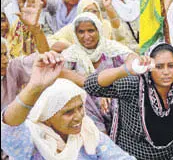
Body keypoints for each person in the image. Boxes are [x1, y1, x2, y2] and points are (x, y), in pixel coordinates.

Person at [1, 51, 135, 159]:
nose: (79, 117)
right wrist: (34, 87)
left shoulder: (87, 131)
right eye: (68, 112)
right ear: (47, 117)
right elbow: (9, 126)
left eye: (80, 107)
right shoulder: (32, 140)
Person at [84, 43, 173, 159]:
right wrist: (125, 69)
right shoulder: (134, 86)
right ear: (149, 68)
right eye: (159, 66)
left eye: (171, 66)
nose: (166, 72)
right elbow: (91, 86)